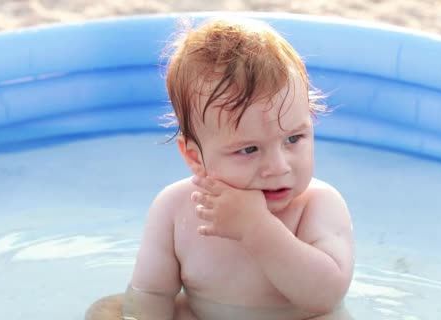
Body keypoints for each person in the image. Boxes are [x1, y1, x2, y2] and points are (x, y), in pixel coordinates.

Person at [85, 16, 354, 320]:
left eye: (293, 138)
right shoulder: (174, 209)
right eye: (248, 149)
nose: (278, 167)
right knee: (108, 310)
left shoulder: (318, 205)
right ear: (195, 158)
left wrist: (258, 229)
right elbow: (152, 292)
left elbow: (326, 297)